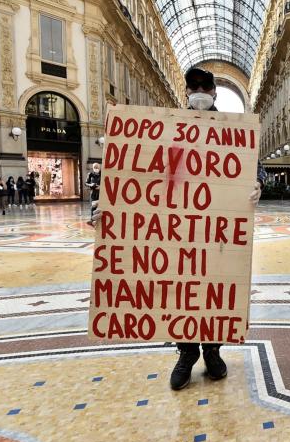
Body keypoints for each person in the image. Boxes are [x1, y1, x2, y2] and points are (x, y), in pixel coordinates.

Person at [90, 66, 265, 392]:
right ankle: (186, 353)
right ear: (186, 92)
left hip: (217, 230)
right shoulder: (166, 127)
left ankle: (212, 351)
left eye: (205, 86)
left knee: (213, 283)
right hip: (178, 228)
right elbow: (135, 174)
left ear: (214, 92)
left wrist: (257, 184)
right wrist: (109, 205)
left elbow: (257, 168)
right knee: (181, 285)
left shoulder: (235, 131)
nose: (199, 90)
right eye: (193, 86)